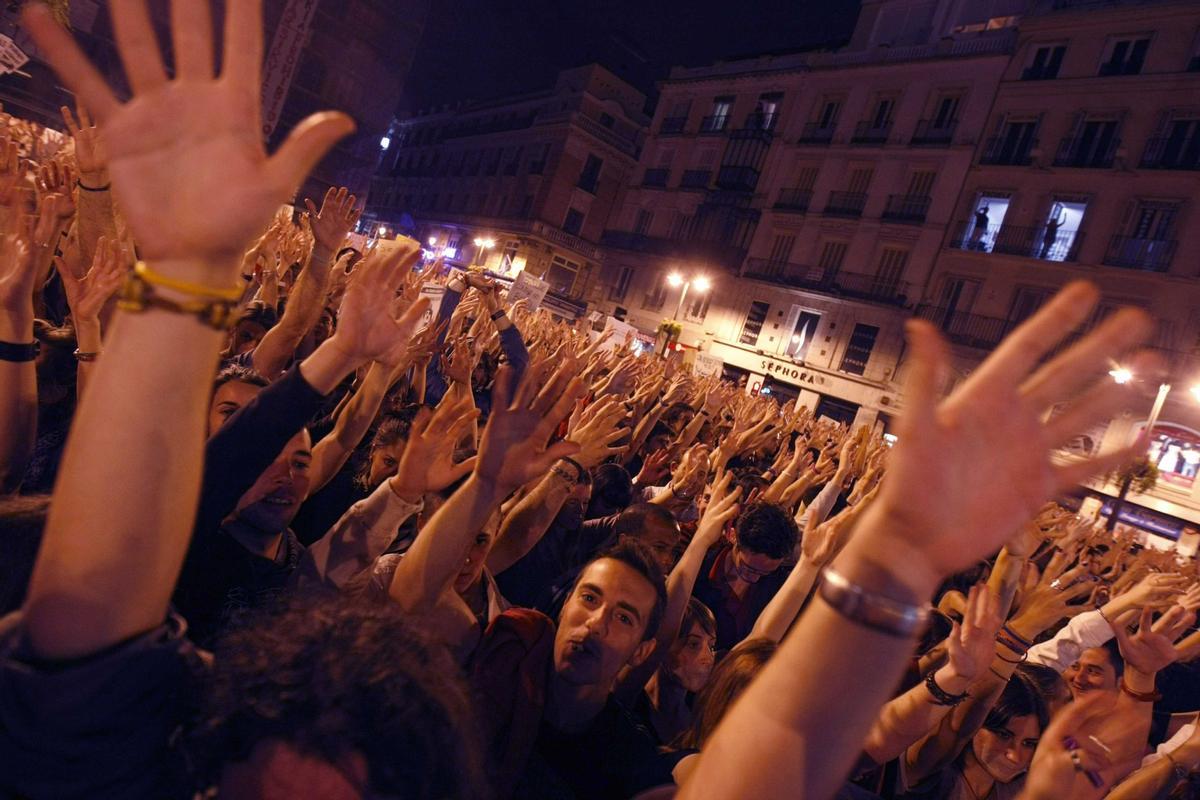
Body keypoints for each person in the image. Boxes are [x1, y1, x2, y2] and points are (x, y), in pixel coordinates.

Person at [2, 1, 484, 796]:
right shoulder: (112, 753)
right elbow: (84, 652)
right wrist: (188, 274)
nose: (290, 470)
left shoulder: (301, 570)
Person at [691, 500, 799, 651]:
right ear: (733, 536)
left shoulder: (780, 585)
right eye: (749, 568)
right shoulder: (699, 571)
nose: (755, 579)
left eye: (765, 572)